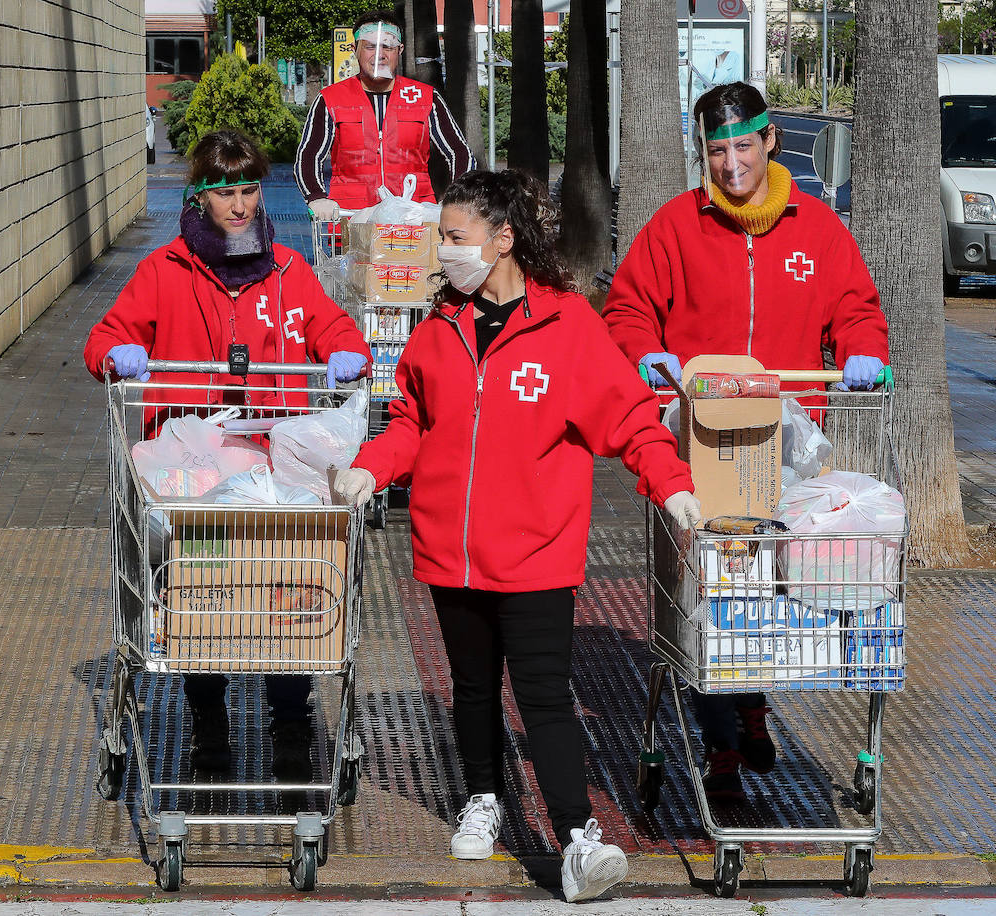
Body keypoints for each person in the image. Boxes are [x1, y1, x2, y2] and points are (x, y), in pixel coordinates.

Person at [332, 170, 701, 902]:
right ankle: (482, 796)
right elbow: (408, 418)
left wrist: (674, 483)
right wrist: (371, 469)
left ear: (503, 239)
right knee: (472, 689)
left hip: (536, 553)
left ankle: (574, 838)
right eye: (443, 236)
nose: (446, 249)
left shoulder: (566, 325)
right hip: (450, 552)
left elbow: (628, 416)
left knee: (543, 695)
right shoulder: (440, 328)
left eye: (456, 236)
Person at [602, 82, 889, 801]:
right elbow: (629, 306)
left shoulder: (818, 230)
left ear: (770, 142)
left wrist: (861, 348)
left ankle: (753, 702)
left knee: (763, 591)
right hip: (696, 443)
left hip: (786, 446)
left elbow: (856, 307)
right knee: (705, 593)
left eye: (741, 146)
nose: (730, 164)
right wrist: (643, 351)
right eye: (715, 150)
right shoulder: (675, 227)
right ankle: (722, 746)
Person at [83, 129, 372, 780]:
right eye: (225, 193)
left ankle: (291, 718)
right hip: (195, 470)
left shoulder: (288, 271)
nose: (240, 206)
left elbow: (330, 326)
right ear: (200, 199)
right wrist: (115, 357)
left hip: (271, 465)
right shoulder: (166, 271)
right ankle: (206, 715)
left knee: (285, 584)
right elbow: (107, 336)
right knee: (205, 583)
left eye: (248, 191)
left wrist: (344, 350)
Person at [296, 9, 476, 220]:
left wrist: (454, 199)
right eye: (370, 46)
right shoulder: (330, 99)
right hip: (351, 219)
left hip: (413, 218)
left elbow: (459, 152)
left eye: (387, 47)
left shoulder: (425, 97)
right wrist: (316, 196)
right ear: (355, 49)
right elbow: (309, 154)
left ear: (399, 50)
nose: (379, 55)